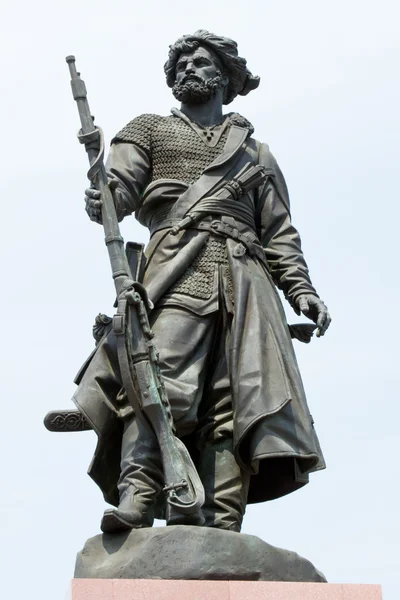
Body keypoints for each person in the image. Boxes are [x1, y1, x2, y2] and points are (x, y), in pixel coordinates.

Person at [75, 29, 331, 534]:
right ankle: (140, 496)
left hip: (247, 286)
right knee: (157, 385)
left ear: (226, 76)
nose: (189, 68)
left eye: (201, 61)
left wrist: (301, 290)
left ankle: (220, 522)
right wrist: (101, 194)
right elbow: (117, 192)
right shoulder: (148, 130)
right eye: (181, 64)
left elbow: (279, 231)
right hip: (175, 272)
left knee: (233, 405)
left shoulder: (256, 154)